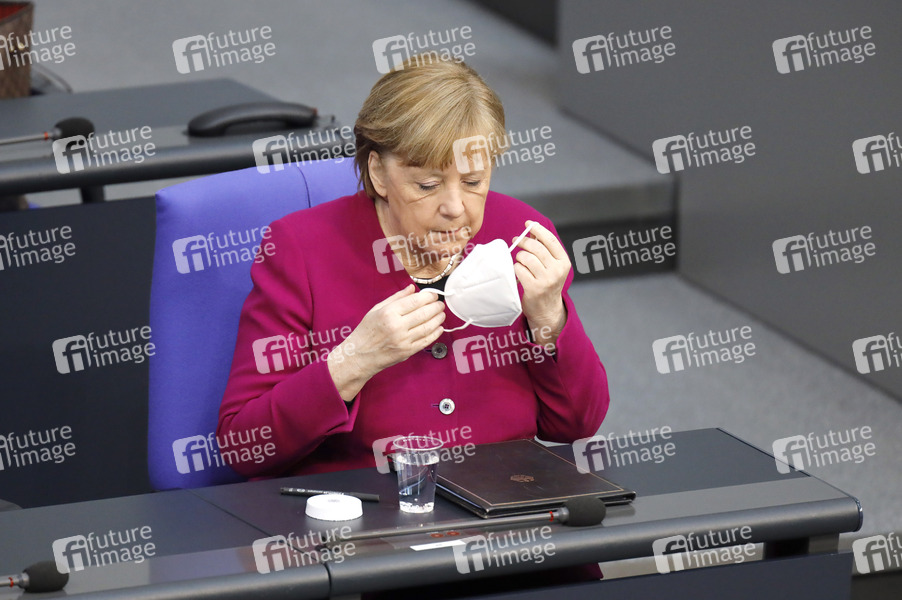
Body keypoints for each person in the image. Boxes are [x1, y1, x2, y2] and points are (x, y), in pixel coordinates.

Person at [217, 56, 609, 480]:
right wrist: (354, 360)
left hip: (503, 501)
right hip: (365, 507)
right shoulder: (300, 249)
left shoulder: (522, 236)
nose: (455, 207)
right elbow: (245, 447)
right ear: (378, 173)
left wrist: (549, 316)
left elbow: (577, 425)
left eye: (474, 182)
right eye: (428, 185)